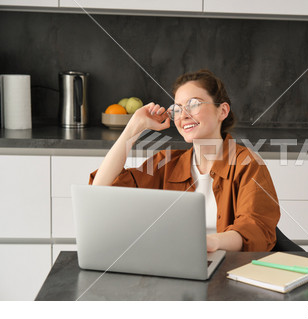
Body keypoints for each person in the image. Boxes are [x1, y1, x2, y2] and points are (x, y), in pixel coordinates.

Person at [90, 69, 280, 252]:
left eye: (194, 104)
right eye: (177, 109)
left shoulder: (247, 164)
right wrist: (134, 127)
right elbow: (101, 190)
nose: (184, 115)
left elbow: (256, 228)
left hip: (228, 272)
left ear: (222, 111)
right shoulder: (165, 163)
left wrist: (210, 243)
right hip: (174, 272)